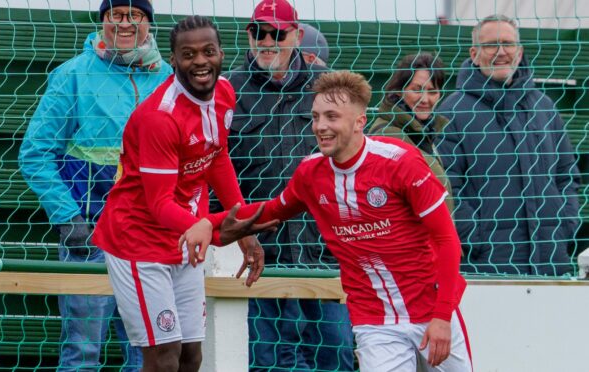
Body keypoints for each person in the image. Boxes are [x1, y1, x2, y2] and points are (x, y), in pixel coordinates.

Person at [181, 70, 473, 371]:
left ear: (360, 121)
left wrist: (442, 317)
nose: (320, 126)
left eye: (331, 117)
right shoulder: (311, 174)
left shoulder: (401, 162)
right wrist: (209, 223)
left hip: (433, 309)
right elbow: (269, 211)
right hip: (375, 322)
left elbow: (447, 240)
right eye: (316, 116)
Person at [91, 15, 276, 372]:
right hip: (139, 241)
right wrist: (206, 225)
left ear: (222, 52)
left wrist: (244, 229)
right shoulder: (160, 117)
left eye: (208, 51)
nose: (200, 61)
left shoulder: (225, 92)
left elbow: (217, 156)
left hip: (186, 239)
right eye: (188, 55)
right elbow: (159, 204)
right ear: (173, 61)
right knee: (164, 358)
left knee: (192, 355)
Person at [18, 0, 171, 370]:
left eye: (134, 15)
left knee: (148, 351)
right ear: (102, 21)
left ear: (149, 23)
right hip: (88, 235)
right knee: (83, 352)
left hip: (149, 238)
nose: (124, 23)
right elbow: (35, 153)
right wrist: (69, 218)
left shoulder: (170, 78)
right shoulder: (73, 75)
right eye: (114, 15)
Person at [224, 0, 354, 370]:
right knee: (265, 359)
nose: (266, 40)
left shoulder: (327, 88)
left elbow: (353, 159)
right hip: (255, 251)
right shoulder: (228, 89)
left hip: (322, 249)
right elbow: (216, 167)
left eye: (277, 33)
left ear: (297, 35)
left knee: (336, 353)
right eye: (257, 32)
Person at [435, 15, 581, 275]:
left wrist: (564, 225)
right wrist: (474, 238)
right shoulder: (452, 111)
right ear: (475, 53)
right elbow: (446, 185)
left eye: (508, 44)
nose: (501, 52)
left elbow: (567, 174)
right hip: (487, 265)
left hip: (550, 261)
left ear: (520, 50)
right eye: (491, 44)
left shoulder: (544, 107)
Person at [368, 53, 454, 214]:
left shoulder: (423, 132)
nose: (425, 99)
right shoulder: (388, 135)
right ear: (399, 91)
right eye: (416, 90)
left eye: (432, 91)